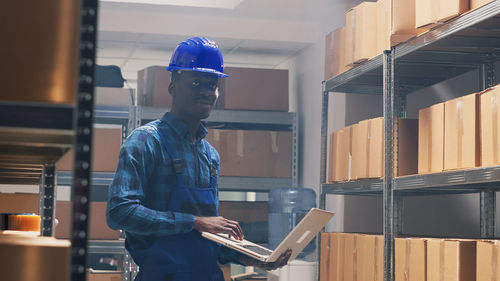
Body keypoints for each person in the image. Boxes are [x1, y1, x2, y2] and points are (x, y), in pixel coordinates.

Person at [106, 37, 291, 281]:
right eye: (195, 82)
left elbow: (208, 236)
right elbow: (119, 212)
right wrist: (193, 222)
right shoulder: (145, 142)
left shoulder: (209, 156)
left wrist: (251, 258)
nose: (206, 92)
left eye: (212, 84)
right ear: (173, 87)